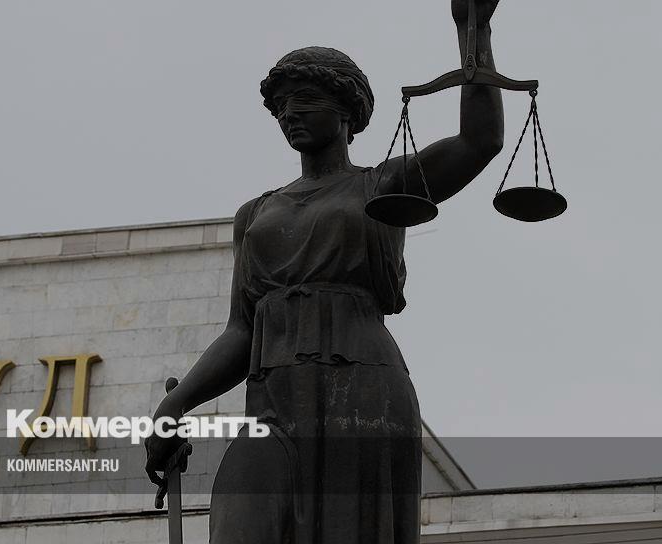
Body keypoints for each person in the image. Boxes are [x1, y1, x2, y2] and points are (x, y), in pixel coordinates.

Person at [146, 1, 504, 542]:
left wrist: (472, 29)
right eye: (281, 106)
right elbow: (241, 330)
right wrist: (175, 404)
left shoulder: (381, 187)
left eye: (305, 100)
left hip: (360, 387)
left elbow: (479, 142)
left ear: (346, 112)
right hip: (273, 397)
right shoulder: (254, 214)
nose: (290, 113)